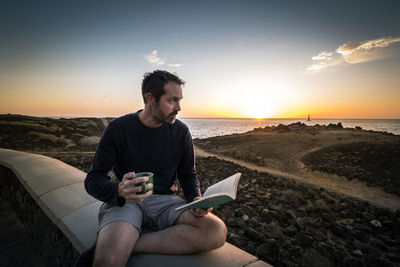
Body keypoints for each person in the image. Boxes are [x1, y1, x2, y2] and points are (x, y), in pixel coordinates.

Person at [83, 70, 227, 267]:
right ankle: (117, 247)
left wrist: (195, 198)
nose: (178, 107)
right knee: (106, 261)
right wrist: (118, 190)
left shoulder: (181, 131)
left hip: (166, 202)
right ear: (150, 99)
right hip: (126, 202)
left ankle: (128, 244)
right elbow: (93, 181)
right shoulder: (118, 129)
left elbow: (187, 174)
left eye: (179, 100)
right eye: (172, 100)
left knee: (215, 230)